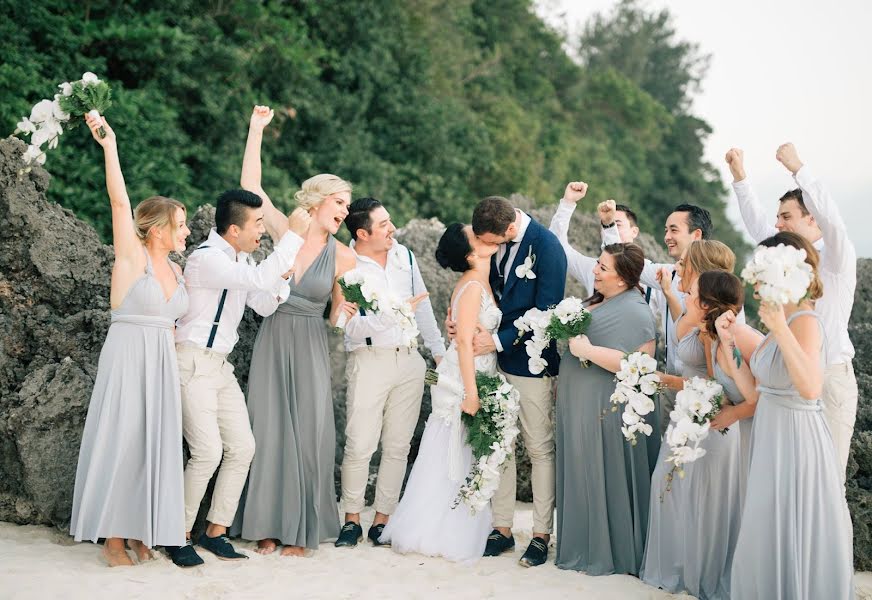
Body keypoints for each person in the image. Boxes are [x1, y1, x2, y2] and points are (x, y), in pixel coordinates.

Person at [171, 134, 311, 565]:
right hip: (192, 363)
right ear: (234, 229)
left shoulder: (244, 260)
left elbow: (264, 302)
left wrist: (283, 275)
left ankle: (215, 531)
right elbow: (253, 283)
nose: (260, 232)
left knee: (243, 448)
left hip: (221, 369)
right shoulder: (206, 259)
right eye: (257, 225)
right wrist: (294, 239)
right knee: (208, 452)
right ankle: (176, 534)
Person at [233, 106, 356, 556]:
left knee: (307, 432)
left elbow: (338, 315)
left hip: (309, 344)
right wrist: (256, 131)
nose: (344, 209)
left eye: (346, 204)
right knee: (267, 428)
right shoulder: (289, 228)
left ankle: (301, 529)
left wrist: (349, 315)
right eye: (338, 201)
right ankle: (266, 526)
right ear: (317, 202)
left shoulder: (344, 257)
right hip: (274, 336)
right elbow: (251, 187)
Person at [70, 114, 190, 566]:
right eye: (179, 225)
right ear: (156, 228)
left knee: (152, 444)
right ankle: (114, 538)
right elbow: (120, 204)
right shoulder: (131, 258)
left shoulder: (178, 271)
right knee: (124, 440)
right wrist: (109, 146)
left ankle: (144, 529)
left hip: (161, 361)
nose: (186, 232)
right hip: (127, 358)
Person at [729, 231, 854, 599]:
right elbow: (758, 388)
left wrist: (781, 328)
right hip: (772, 432)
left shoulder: (803, 320)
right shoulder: (778, 321)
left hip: (796, 438)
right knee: (768, 525)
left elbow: (812, 386)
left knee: (791, 524)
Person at [726, 144, 858, 485]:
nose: (777, 223)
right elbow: (758, 228)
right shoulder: (789, 258)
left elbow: (834, 221)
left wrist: (799, 168)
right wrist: (740, 177)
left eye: (786, 216)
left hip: (829, 378)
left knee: (829, 483)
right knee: (794, 480)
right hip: (790, 379)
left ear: (811, 217)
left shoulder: (837, 258)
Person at [379, 223, 501, 563]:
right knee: (451, 447)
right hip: (464, 376)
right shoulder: (473, 285)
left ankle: (452, 520)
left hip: (477, 368)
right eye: (476, 235)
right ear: (470, 253)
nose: (483, 234)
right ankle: (436, 528)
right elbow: (462, 341)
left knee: (462, 449)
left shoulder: (480, 280)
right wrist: (471, 391)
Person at [334, 197, 445, 548]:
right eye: (383, 225)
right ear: (362, 233)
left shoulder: (405, 256)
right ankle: (351, 519)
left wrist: (440, 355)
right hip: (369, 361)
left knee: (398, 445)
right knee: (359, 443)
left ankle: (383, 520)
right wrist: (386, 319)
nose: (392, 229)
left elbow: (423, 305)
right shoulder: (347, 265)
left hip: (410, 361)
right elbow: (344, 326)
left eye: (390, 221)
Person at [466, 195, 567, 567]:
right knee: (501, 447)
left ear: (509, 229)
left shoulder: (547, 246)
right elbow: (493, 291)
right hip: (494, 361)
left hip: (532, 364)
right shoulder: (500, 238)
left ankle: (541, 534)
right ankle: (502, 528)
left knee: (539, 448)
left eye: (492, 242)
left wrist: (497, 339)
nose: (489, 248)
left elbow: (547, 312)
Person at [641, 266, 747, 600]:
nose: (687, 292)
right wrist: (672, 296)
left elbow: (718, 389)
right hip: (688, 415)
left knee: (702, 499)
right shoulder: (700, 325)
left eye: (692, 291)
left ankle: (698, 573)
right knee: (672, 488)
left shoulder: (713, 338)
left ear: (705, 303)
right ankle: (678, 568)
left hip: (709, 425)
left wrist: (666, 380)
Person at [555, 243, 657, 575]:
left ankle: (604, 550)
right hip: (579, 401)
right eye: (597, 264)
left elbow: (639, 366)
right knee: (582, 469)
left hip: (603, 407)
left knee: (600, 471)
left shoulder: (637, 311)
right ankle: (583, 543)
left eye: (603, 268)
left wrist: (587, 350)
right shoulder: (602, 299)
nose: (595, 271)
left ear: (624, 277)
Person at [549, 183, 660, 317]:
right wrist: (568, 202)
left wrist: (609, 226)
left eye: (616, 224)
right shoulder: (593, 268)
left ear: (634, 231)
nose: (611, 229)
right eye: (606, 225)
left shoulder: (651, 273)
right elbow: (556, 247)